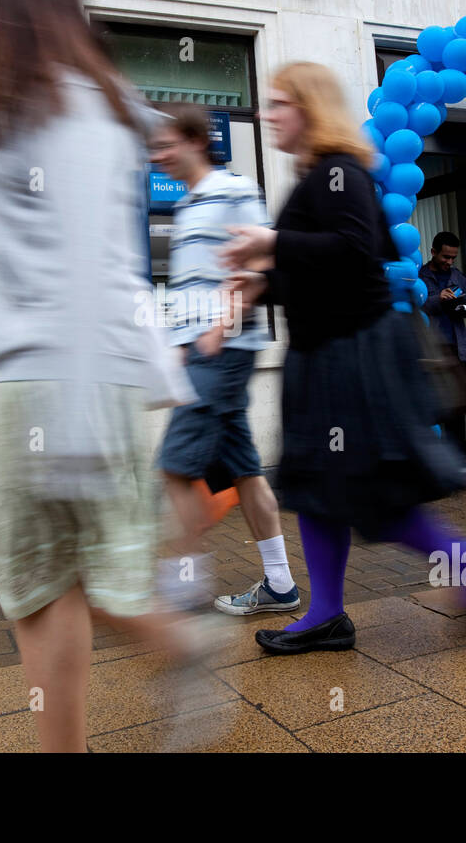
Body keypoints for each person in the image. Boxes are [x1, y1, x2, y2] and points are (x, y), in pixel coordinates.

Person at [0, 0, 201, 752]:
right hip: (65, 383)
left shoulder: (61, 113)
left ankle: (169, 659)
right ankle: (173, 655)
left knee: (43, 587)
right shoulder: (67, 107)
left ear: (21, 7)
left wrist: (65, 429)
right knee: (74, 583)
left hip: (50, 385)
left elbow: (85, 271)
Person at [219, 62, 466, 656]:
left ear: (310, 108)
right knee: (318, 486)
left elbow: (354, 252)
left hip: (351, 359)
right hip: (323, 357)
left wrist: (270, 245)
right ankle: (328, 614)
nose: (268, 114)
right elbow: (314, 276)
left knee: (373, 496)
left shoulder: (340, 173)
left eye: (280, 102)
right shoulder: (318, 177)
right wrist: (257, 284)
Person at [148, 104, 299, 617]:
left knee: (174, 466)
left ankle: (184, 588)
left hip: (224, 350)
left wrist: (217, 328)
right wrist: (175, 342)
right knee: (245, 472)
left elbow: (260, 260)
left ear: (194, 141)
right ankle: (280, 584)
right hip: (200, 352)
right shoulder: (186, 207)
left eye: (166, 144)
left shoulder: (234, 189)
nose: (158, 155)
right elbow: (188, 288)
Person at [419, 231, 466, 453]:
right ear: (433, 252)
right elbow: (416, 307)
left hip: (456, 348)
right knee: (432, 402)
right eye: (445, 257)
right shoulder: (420, 277)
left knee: (458, 405)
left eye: (453, 257)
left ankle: (458, 455)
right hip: (431, 349)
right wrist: (438, 299)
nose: (449, 262)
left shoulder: (458, 277)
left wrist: (463, 306)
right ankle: (434, 454)